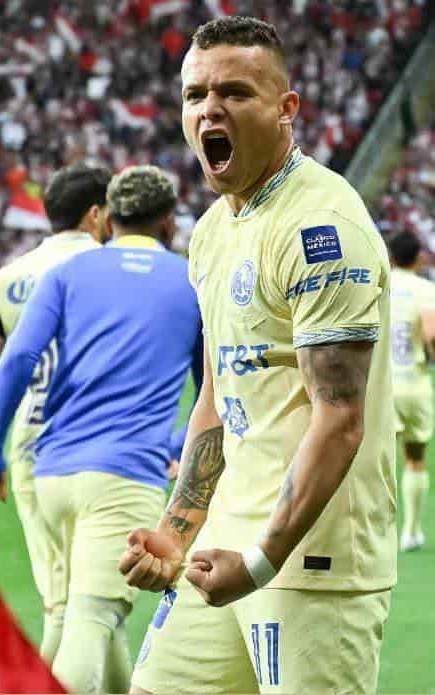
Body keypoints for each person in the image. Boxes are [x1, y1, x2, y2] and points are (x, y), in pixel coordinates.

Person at [119, 17, 396, 695]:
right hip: (225, 542)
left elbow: (339, 419)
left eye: (235, 92)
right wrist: (177, 529)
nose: (209, 108)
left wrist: (265, 559)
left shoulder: (323, 226)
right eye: (195, 95)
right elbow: (219, 393)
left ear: (286, 109)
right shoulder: (214, 230)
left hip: (309, 563)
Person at [0, 165, 202, 693]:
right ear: (169, 222)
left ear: (109, 218)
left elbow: (18, 358)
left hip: (52, 472)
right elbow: (210, 393)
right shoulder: (191, 280)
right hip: (124, 475)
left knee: (105, 619)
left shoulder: (68, 273)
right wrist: (175, 445)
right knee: (93, 618)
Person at [0, 163, 110, 664]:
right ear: (96, 214)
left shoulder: (6, 280)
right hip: (102, 446)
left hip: (31, 450)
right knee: (95, 609)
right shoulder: (116, 269)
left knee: (61, 605)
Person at [388, 231, 435, 552]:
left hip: (384, 387)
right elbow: (431, 332)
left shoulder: (381, 286)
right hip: (415, 383)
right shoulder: (425, 289)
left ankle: (380, 530)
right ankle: (410, 531)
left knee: (380, 461)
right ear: (418, 257)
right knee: (415, 457)